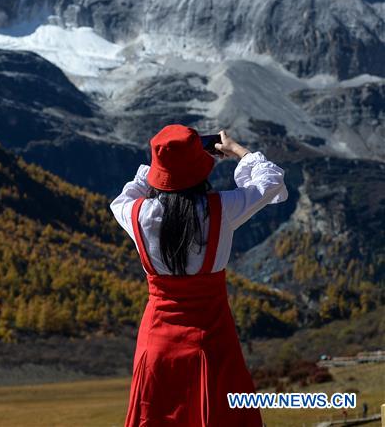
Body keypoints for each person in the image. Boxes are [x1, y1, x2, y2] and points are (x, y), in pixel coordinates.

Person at [110, 124, 288, 427]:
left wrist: (163, 163)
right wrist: (235, 150)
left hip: (157, 342)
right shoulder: (221, 209)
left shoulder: (135, 213)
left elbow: (129, 192)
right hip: (213, 337)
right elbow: (271, 181)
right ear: (199, 171)